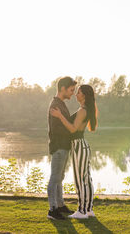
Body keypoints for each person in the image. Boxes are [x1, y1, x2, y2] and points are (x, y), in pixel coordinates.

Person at [50, 84, 98, 219]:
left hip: (78, 146)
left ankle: (82, 211)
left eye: (78, 92)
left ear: (84, 96)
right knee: (87, 179)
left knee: (80, 180)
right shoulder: (85, 109)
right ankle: (88, 209)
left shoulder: (83, 110)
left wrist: (59, 115)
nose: (76, 94)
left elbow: (72, 129)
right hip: (82, 146)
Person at [47, 76, 77, 220]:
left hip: (64, 146)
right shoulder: (55, 105)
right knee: (55, 178)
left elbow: (68, 121)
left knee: (60, 177)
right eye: (71, 90)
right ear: (63, 89)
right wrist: (71, 130)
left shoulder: (61, 104)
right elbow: (57, 129)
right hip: (59, 146)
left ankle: (60, 205)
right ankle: (52, 210)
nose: (72, 93)